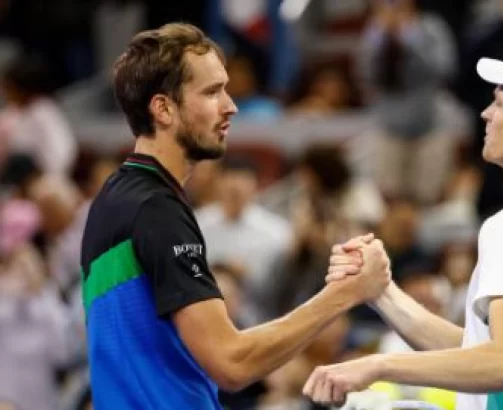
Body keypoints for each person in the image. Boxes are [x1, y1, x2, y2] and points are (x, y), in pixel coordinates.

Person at [79, 23, 391, 410]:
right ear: (163, 109)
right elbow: (231, 362)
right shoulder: (155, 209)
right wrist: (345, 293)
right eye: (211, 92)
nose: (231, 105)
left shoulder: (114, 198)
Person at [304, 48, 503, 409]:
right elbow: (483, 353)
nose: (486, 114)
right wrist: (383, 293)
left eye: (500, 104)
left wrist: (379, 365)